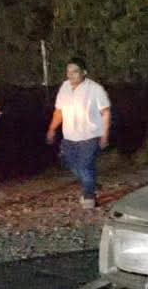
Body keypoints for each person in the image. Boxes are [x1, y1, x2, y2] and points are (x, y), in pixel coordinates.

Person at [46, 57, 111, 209]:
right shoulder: (64, 87)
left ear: (84, 73)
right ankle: (91, 183)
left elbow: (105, 112)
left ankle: (89, 195)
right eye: (68, 71)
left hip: (90, 135)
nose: (70, 75)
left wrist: (104, 134)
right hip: (69, 136)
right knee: (69, 163)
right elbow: (59, 111)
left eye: (75, 71)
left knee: (84, 166)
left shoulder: (95, 89)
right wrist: (51, 128)